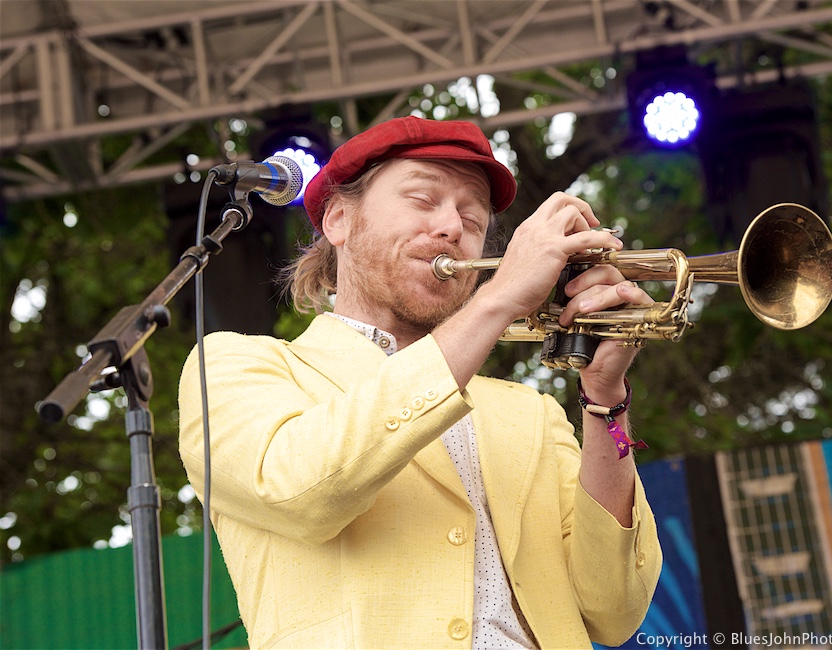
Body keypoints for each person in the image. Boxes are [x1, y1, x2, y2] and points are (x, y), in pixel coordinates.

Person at [178, 116, 662, 649]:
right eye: (423, 199)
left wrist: (606, 402)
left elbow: (614, 610)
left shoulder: (530, 411)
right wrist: (499, 301)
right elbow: (301, 490)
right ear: (338, 220)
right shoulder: (234, 365)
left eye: (472, 218)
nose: (453, 227)